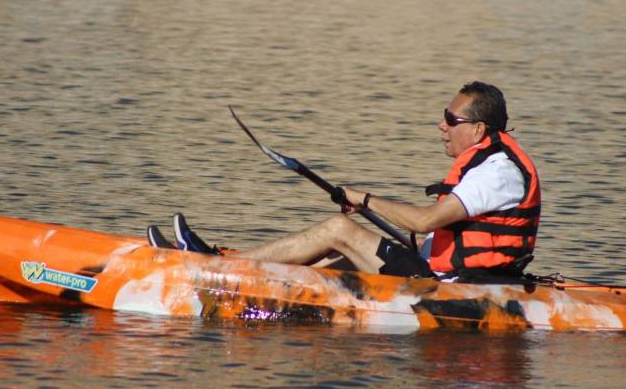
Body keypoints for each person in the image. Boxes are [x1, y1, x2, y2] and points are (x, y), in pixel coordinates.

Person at [148, 81, 541, 282]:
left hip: (454, 284)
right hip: (442, 270)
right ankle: (235, 266)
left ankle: (215, 269)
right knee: (330, 257)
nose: (441, 125)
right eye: (444, 115)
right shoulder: (488, 162)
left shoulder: (497, 172)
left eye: (451, 120)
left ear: (478, 130)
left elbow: (424, 221)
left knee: (339, 229)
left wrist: (364, 199)